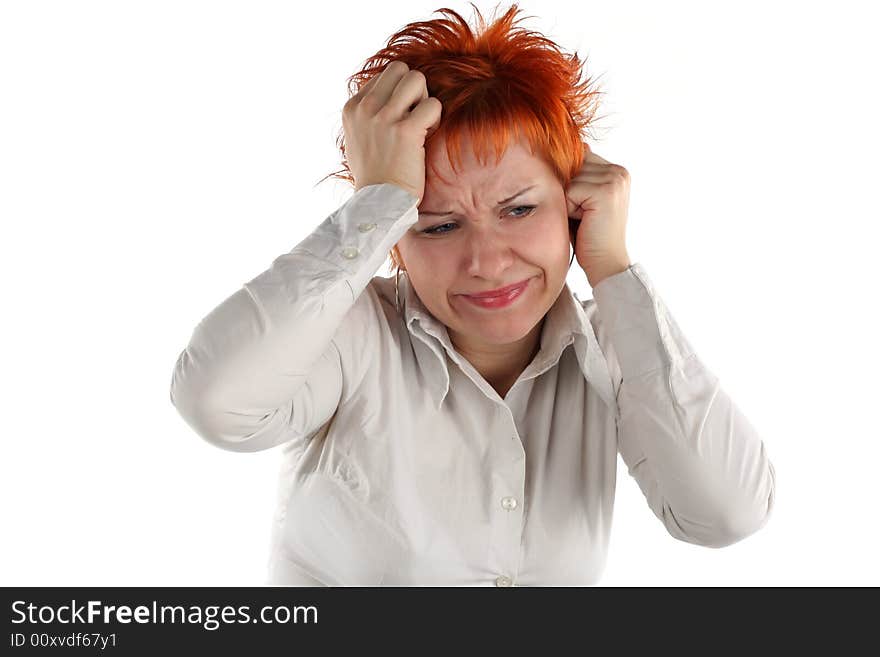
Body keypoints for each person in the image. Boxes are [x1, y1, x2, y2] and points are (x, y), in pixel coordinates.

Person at [170, 3, 776, 586]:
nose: (486, 262)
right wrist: (377, 202)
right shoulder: (347, 335)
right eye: (437, 225)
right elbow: (217, 404)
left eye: (518, 209)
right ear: (394, 241)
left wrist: (612, 269)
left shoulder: (613, 351)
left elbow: (726, 514)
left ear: (574, 206)